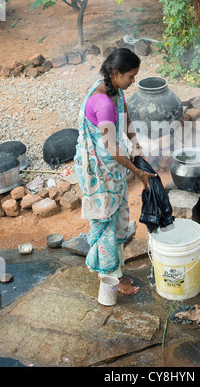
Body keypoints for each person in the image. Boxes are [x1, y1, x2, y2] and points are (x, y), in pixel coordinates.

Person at [74, 48, 156, 295]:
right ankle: (108, 277)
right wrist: (138, 172)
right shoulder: (103, 103)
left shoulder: (114, 89)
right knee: (106, 223)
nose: (133, 81)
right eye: (131, 76)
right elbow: (111, 148)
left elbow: (127, 119)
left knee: (118, 215)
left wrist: (136, 147)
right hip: (98, 171)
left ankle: (116, 270)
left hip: (111, 167)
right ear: (117, 73)